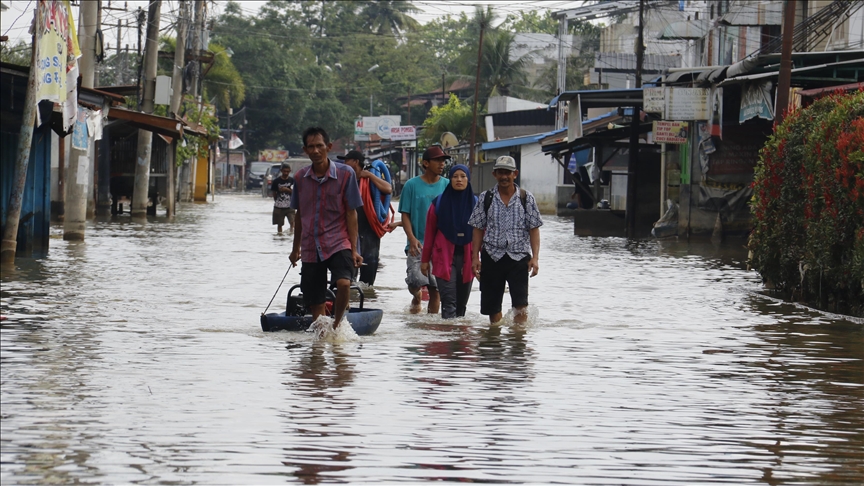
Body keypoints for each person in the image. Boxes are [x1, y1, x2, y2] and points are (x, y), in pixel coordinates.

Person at [289, 127, 364, 328]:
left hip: (339, 241)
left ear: (328, 147)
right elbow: (299, 215)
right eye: (311, 147)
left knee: (344, 283)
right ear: (305, 150)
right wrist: (295, 249)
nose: (315, 151)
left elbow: (351, 213)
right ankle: (320, 342)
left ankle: (338, 325)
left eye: (319, 146)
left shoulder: (346, 174)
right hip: (311, 246)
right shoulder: (300, 178)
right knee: (316, 301)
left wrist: (355, 249)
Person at [468, 155, 543, 324]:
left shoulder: (526, 198)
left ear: (515, 174)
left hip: (519, 257)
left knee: (521, 305)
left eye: (507, 173)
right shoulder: (486, 198)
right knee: (492, 307)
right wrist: (475, 258)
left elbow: (534, 229)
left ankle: (517, 342)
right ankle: (495, 343)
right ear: (495, 174)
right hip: (492, 256)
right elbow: (478, 229)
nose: (504, 176)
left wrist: (535, 258)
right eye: (500, 172)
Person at [398, 145, 450, 314]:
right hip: (417, 244)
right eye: (437, 160)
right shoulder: (411, 186)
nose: (442, 164)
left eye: (443, 161)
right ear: (426, 163)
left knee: (436, 288)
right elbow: (405, 214)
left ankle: (430, 327)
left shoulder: (448, 186)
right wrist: (412, 238)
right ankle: (417, 296)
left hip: (440, 246)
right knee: (414, 281)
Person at [420, 164, 477, 319]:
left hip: (468, 258)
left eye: (463, 176)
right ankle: (448, 338)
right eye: (455, 176)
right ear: (450, 179)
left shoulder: (477, 205)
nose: (459, 180)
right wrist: (424, 261)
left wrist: (481, 259)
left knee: (461, 307)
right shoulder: (438, 204)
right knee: (449, 303)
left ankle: (459, 340)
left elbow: (482, 234)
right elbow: (429, 235)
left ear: (468, 179)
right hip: (443, 258)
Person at [336, 150, 392, 285]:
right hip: (349, 231)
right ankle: (349, 298)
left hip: (370, 230)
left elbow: (388, 189)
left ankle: (365, 300)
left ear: (355, 162)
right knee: (348, 272)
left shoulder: (370, 180)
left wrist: (368, 175)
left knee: (369, 271)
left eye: (347, 160)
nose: (344, 163)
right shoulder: (343, 180)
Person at [270, 162, 295, 234]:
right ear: (281, 171)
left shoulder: (292, 180)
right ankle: (280, 236)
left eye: (287, 171)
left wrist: (287, 190)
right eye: (284, 171)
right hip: (279, 206)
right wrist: (277, 202)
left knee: (292, 222)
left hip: (290, 206)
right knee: (279, 224)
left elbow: (296, 193)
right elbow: (274, 193)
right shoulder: (276, 181)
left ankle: (291, 235)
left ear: (290, 171)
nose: (286, 173)